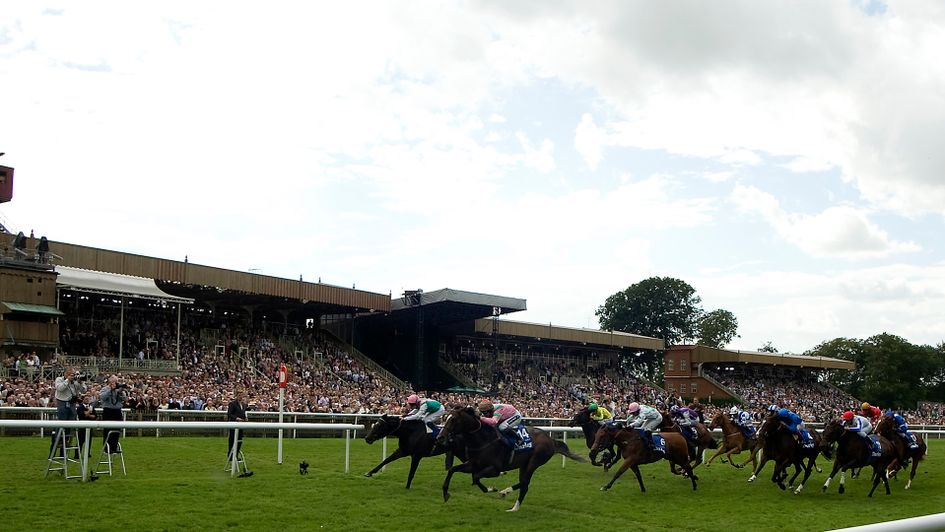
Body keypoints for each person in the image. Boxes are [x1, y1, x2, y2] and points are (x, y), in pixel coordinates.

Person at [50, 367, 87, 455]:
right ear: (66, 373)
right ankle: (58, 441)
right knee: (62, 423)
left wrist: (81, 382)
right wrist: (67, 380)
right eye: (72, 374)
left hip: (72, 404)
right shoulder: (59, 379)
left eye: (74, 374)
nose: (74, 376)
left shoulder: (74, 382)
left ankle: (64, 445)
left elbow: (83, 390)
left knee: (70, 425)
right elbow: (60, 388)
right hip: (62, 403)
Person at [99, 375, 128, 454]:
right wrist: (111, 390)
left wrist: (121, 391)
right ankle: (106, 447)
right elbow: (102, 397)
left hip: (117, 411)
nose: (115, 383)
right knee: (107, 429)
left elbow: (124, 399)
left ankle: (114, 447)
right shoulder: (105, 389)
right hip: (108, 411)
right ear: (110, 382)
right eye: (114, 382)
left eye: (116, 382)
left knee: (117, 429)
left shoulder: (118, 389)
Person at [226, 389, 248, 462]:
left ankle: (236, 454)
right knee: (232, 440)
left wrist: (245, 418)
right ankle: (230, 456)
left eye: (242, 395)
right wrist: (236, 418)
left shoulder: (244, 404)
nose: (240, 397)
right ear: (236, 396)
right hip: (234, 425)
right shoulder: (232, 404)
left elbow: (243, 413)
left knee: (239, 440)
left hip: (241, 425)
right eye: (239, 395)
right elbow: (229, 414)